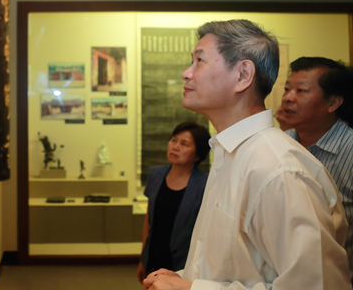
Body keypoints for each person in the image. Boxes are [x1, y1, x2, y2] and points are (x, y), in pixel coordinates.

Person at [144, 20, 350, 290]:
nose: (186, 73)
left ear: (243, 75)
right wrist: (183, 278)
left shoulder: (279, 171)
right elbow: (240, 264)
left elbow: (316, 286)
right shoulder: (229, 153)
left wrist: (193, 288)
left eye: (199, 61)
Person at [278, 57, 353, 278]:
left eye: (301, 91)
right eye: (287, 89)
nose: (288, 98)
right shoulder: (280, 143)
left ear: (333, 103)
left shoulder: (349, 149)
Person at [137, 122, 211, 283]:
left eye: (184, 144)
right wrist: (143, 258)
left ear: (198, 155)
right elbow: (149, 221)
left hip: (183, 263)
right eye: (174, 140)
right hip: (154, 257)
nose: (175, 147)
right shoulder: (155, 174)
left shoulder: (205, 185)